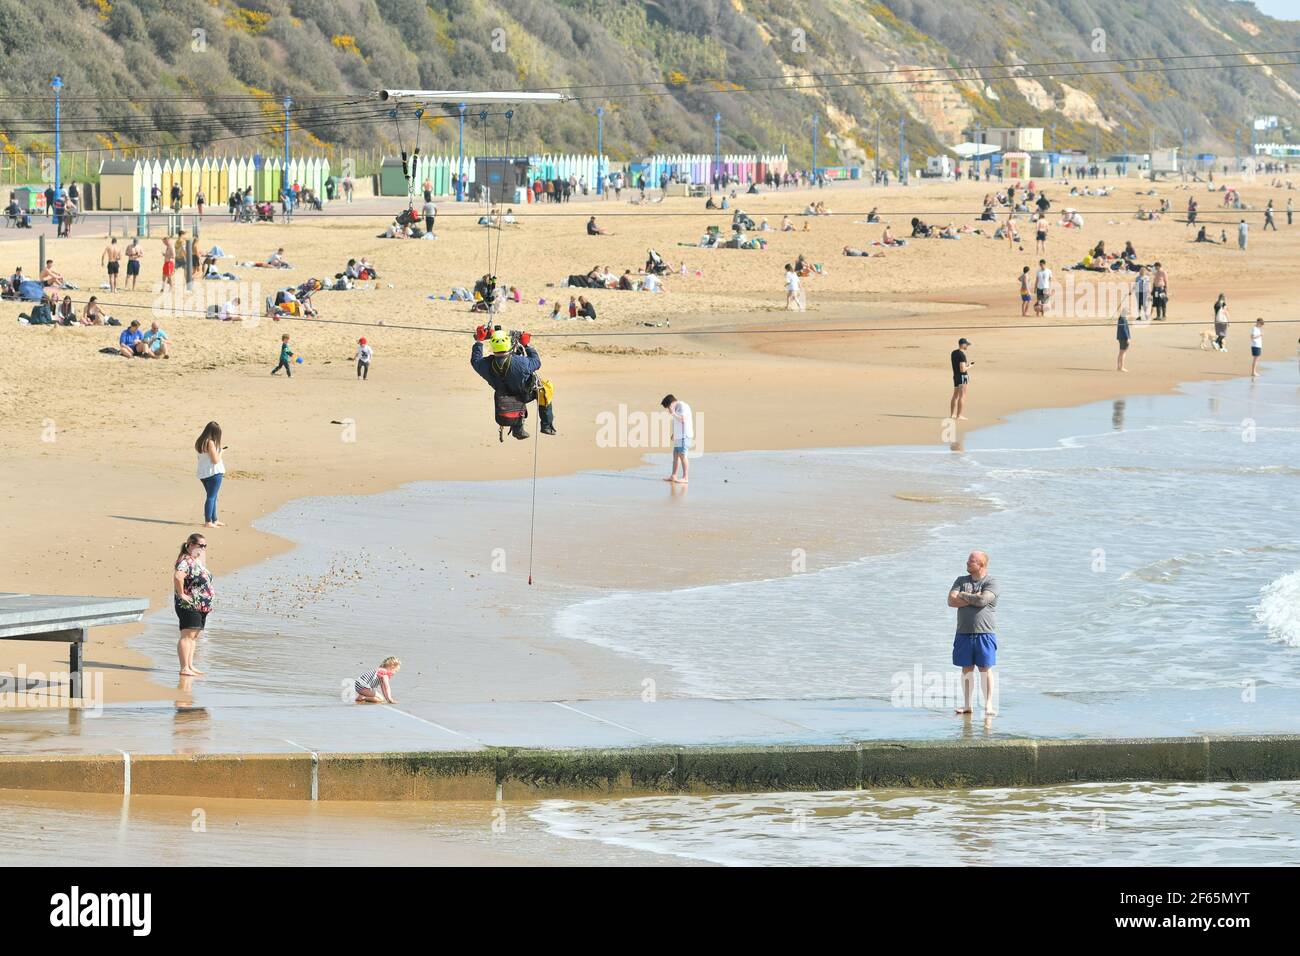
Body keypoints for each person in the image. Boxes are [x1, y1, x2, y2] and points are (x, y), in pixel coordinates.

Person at [470, 325, 555, 438]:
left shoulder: (485, 365)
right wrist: (527, 345)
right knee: (546, 388)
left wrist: (479, 341)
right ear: (508, 343)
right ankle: (546, 425)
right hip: (524, 394)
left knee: (514, 390)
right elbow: (536, 362)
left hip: (503, 395)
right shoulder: (521, 363)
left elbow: (475, 360)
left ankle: (518, 429)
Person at [948, 550, 1000, 717]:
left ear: (981, 565)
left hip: (985, 633)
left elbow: (983, 600)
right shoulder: (961, 580)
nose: (967, 563)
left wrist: (962, 596)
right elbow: (951, 600)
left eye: (971, 561)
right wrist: (972, 597)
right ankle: (967, 705)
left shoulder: (991, 582)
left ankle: (989, 705)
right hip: (963, 632)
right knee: (966, 669)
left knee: (985, 669)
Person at [174, 533, 214, 678]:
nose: (203, 548)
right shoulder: (185, 561)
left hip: (200, 605)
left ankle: (190, 665)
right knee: (187, 635)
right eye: (200, 545)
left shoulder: (196, 560)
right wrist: (182, 595)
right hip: (189, 604)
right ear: (190, 545)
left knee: (194, 635)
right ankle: (184, 667)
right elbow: (178, 576)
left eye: (205, 546)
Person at [195, 422, 225, 528]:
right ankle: (208, 521)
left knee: (212, 497)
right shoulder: (210, 442)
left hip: (203, 473)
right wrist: (221, 452)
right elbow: (215, 460)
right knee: (211, 497)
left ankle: (214, 519)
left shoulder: (199, 441)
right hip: (213, 473)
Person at [661, 394, 693, 484]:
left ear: (672, 403)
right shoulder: (676, 408)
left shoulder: (683, 406)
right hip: (678, 436)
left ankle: (685, 477)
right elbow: (677, 422)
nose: (668, 409)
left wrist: (673, 413)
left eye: (668, 407)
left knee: (683, 456)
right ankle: (673, 476)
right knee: (675, 456)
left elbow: (683, 419)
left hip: (685, 435)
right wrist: (674, 433)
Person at [950, 337, 972, 421]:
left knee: (955, 396)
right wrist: (969, 366)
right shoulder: (962, 355)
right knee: (962, 396)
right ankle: (959, 415)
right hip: (963, 376)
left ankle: (952, 415)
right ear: (963, 345)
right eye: (966, 344)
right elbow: (962, 369)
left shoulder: (953, 353)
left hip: (955, 376)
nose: (967, 346)